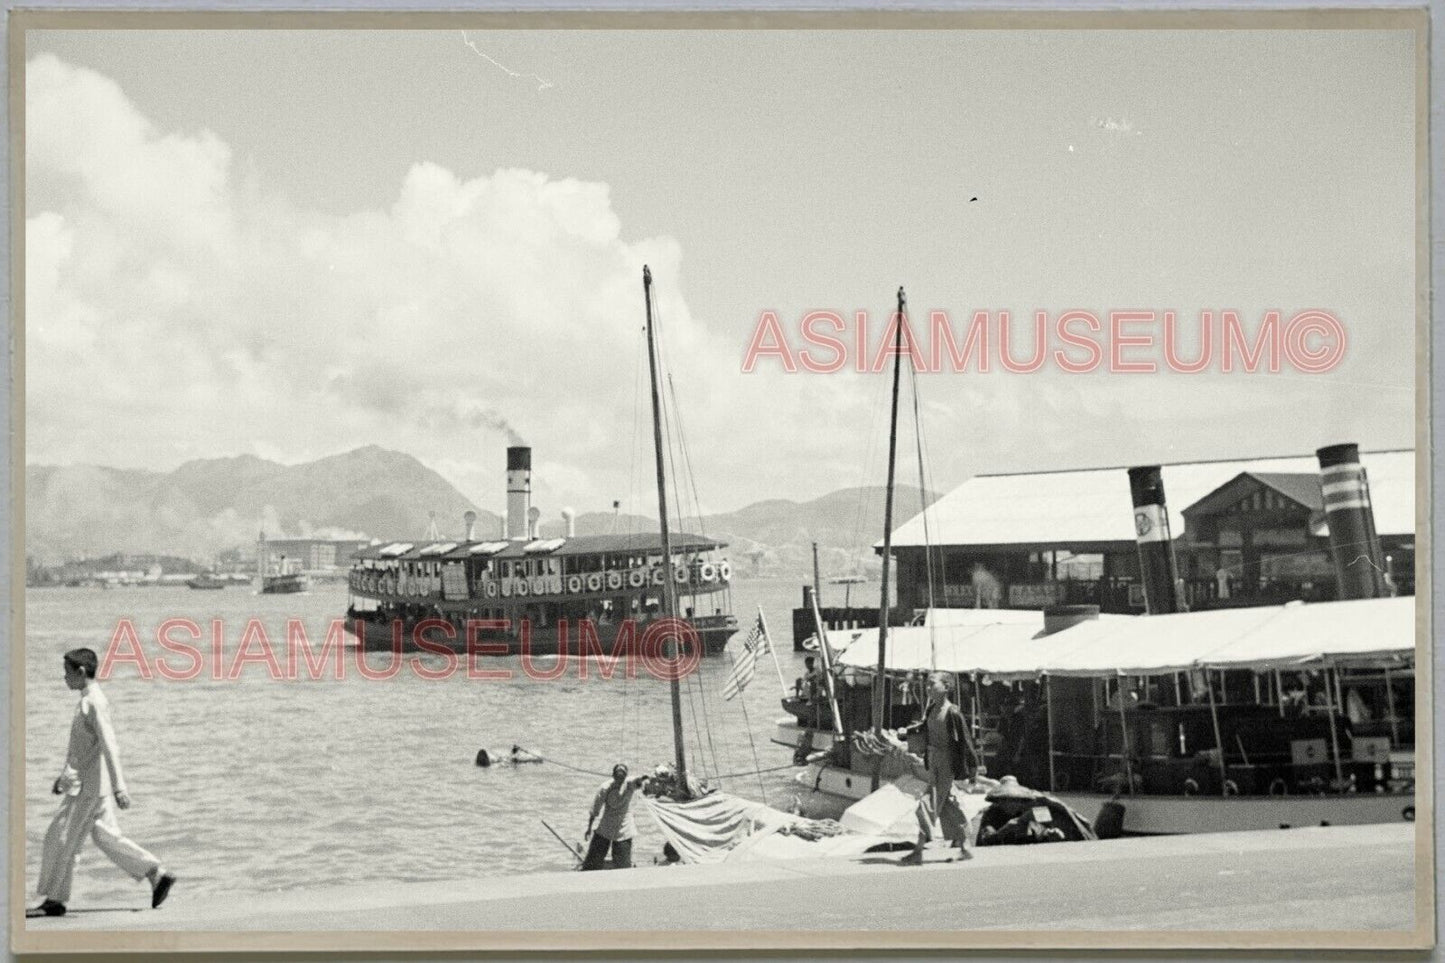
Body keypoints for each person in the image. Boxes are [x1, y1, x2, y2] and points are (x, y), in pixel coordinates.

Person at [29, 648, 175, 918]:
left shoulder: (94, 702)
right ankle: (156, 874)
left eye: (67, 673)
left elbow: (110, 746)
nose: (64, 678)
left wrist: (120, 787)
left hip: (89, 790)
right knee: (106, 836)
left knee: (59, 839)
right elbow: (82, 750)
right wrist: (62, 781)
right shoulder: (88, 701)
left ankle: (54, 900)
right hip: (91, 786)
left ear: (81, 672)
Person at [901, 672, 981, 859]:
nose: (928, 688)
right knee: (948, 804)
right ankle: (965, 846)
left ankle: (918, 850)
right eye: (927, 685)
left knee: (928, 804)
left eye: (932, 684)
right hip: (933, 760)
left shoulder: (952, 712)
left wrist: (972, 767)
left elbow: (965, 741)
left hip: (946, 762)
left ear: (946, 687)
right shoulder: (931, 709)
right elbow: (925, 730)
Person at [582, 763, 646, 871]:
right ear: (613, 775)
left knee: (623, 865)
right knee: (592, 863)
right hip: (606, 825)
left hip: (624, 827)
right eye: (617, 775)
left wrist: (643, 779)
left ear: (626, 776)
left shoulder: (630, 784)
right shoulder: (605, 788)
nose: (620, 778)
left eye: (623, 776)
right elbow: (595, 810)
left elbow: (638, 781)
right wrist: (589, 828)